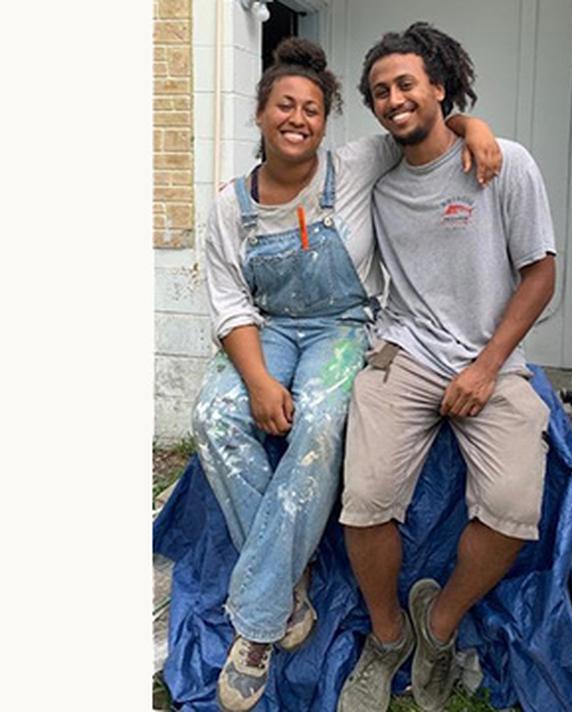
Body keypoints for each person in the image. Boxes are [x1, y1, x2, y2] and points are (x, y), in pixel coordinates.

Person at [192, 37, 502, 712]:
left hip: (342, 329)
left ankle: (256, 625)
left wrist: (476, 127)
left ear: (326, 121)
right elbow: (228, 303)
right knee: (212, 417)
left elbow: (427, 124)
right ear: (260, 113)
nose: (297, 118)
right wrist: (255, 380)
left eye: (311, 108)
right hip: (266, 329)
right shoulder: (227, 207)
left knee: (320, 421)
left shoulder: (354, 165)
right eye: (284, 106)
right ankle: (288, 577)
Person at [337, 23, 559, 712]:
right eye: (379, 91)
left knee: (514, 507)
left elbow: (541, 274)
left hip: (488, 359)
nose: (393, 99)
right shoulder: (373, 171)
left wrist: (488, 367)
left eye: (406, 84)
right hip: (403, 350)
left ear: (439, 86)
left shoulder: (503, 163)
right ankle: (386, 636)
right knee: (366, 499)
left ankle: (438, 628)